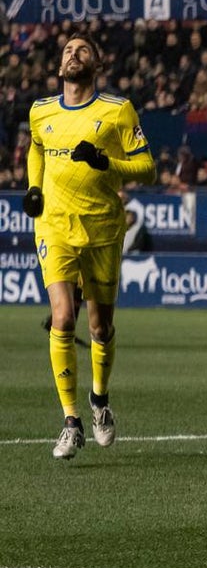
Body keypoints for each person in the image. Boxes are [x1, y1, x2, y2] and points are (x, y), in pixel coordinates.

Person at [23, 34, 157, 460]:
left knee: (99, 327)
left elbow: (148, 169)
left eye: (82, 50)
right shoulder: (40, 111)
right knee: (62, 318)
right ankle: (71, 421)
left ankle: (99, 402)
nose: (72, 54)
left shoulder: (117, 111)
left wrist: (105, 162)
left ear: (96, 63)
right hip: (54, 226)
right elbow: (36, 150)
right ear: (60, 65)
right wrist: (32, 188)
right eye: (66, 50)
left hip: (101, 228)